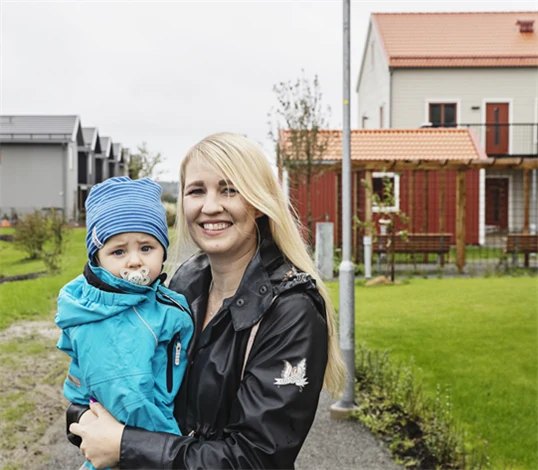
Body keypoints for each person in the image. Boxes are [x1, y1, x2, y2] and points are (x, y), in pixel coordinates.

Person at [67, 132, 345, 470]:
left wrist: (126, 445)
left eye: (229, 189)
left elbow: (257, 457)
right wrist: (84, 416)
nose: (210, 206)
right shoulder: (184, 283)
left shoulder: (290, 309)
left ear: (257, 202)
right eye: (196, 190)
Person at [55, 177, 194, 469]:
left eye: (146, 248)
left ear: (163, 250)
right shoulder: (109, 318)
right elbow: (130, 399)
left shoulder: (160, 301)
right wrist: (172, 447)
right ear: (98, 258)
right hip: (139, 448)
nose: (134, 261)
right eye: (118, 251)